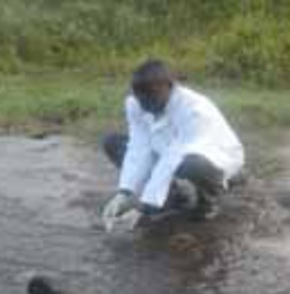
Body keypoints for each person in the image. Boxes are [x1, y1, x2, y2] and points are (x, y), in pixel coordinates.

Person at [101, 59, 245, 230]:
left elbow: (175, 155)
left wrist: (145, 208)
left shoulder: (194, 110)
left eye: (151, 97)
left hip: (211, 155)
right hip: (169, 149)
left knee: (191, 165)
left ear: (170, 86)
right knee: (113, 143)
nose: (146, 105)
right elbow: (139, 146)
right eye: (141, 99)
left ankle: (209, 200)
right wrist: (124, 192)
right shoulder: (137, 104)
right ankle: (173, 196)